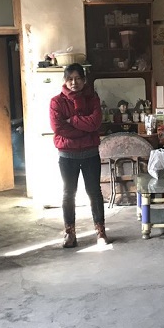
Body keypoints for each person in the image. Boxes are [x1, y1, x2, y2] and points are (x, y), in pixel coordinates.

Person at [49, 63, 108, 248]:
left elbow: (95, 123)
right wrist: (85, 129)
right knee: (68, 194)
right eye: (70, 79)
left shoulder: (93, 98)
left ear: (84, 80)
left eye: (78, 78)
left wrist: (73, 120)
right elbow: (58, 127)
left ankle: (100, 231)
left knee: (94, 192)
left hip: (90, 154)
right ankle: (70, 233)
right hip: (67, 155)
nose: (74, 82)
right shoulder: (56, 102)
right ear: (65, 81)